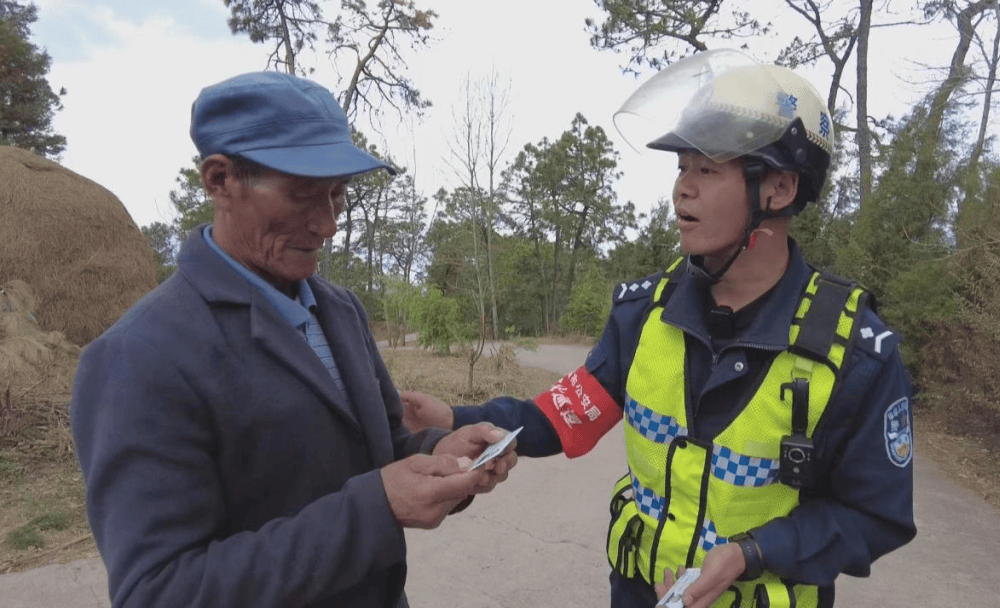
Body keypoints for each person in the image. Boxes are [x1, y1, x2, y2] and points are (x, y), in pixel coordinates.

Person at [402, 49, 916, 608]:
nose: (682, 190)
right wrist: (461, 419)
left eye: (708, 169)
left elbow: (874, 515)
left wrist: (754, 551)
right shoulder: (645, 312)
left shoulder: (853, 352)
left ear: (780, 190)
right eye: (681, 168)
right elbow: (566, 414)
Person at [70, 71, 517, 608]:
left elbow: (377, 451)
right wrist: (374, 509)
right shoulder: (139, 358)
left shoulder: (339, 309)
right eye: (304, 195)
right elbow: (160, 591)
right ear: (219, 180)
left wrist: (439, 454)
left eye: (338, 194)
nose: (327, 225)